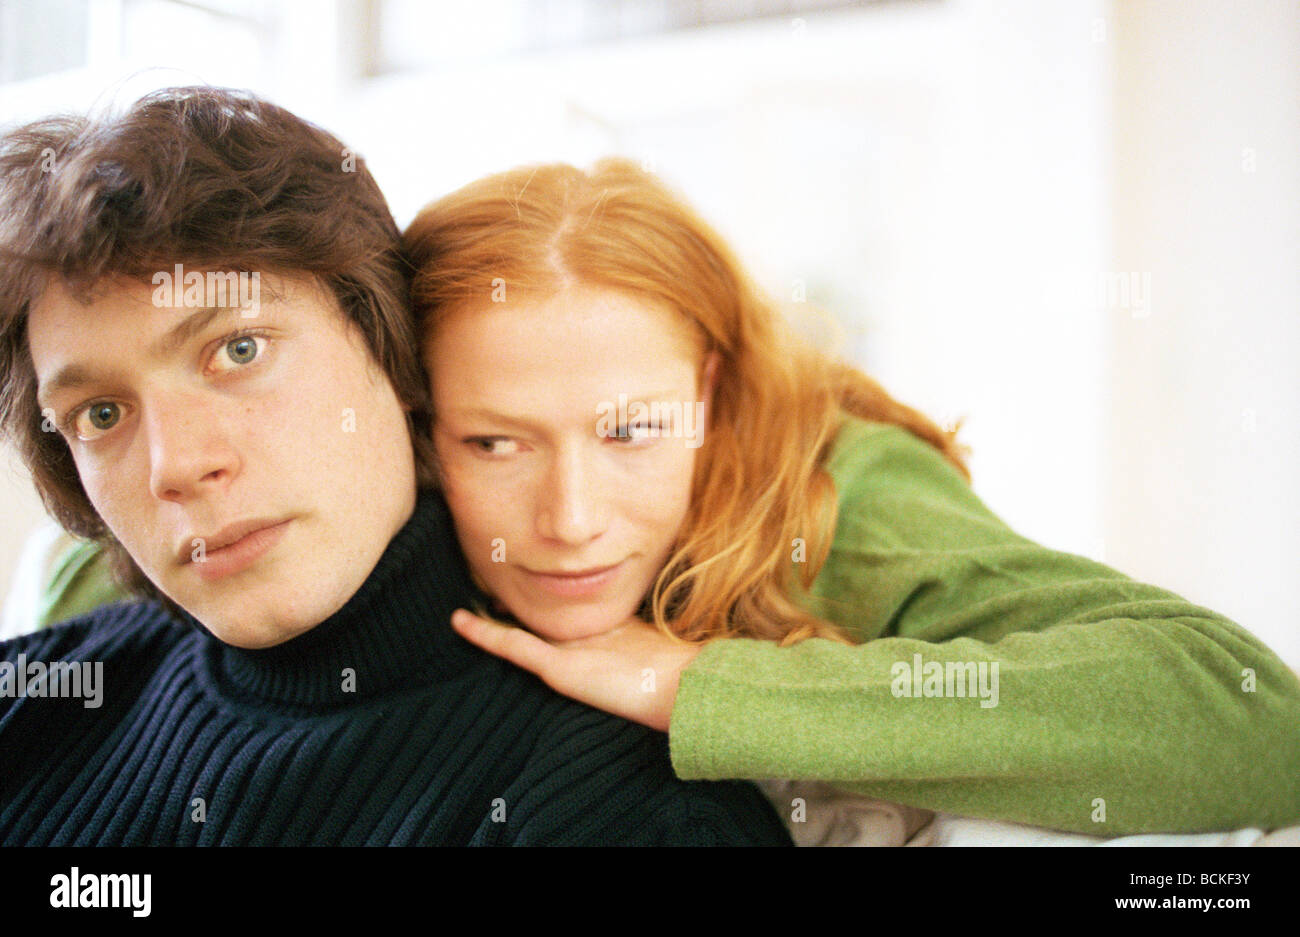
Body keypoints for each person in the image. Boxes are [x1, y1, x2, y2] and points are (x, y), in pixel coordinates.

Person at [399, 159, 1300, 837]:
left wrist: (693, 685)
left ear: (708, 392)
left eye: (632, 431)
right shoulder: (398, 514)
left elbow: (1258, 723)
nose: (571, 519)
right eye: (496, 443)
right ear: (423, 429)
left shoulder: (835, 494)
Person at [0, 89, 792, 846]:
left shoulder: (621, 813)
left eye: (239, 350)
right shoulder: (36, 690)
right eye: (100, 414)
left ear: (390, 346)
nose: (178, 465)